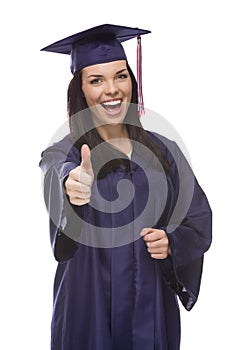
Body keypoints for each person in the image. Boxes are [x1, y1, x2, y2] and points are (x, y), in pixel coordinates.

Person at [39, 24, 212, 350]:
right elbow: (58, 174)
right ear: (80, 92)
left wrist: (172, 242)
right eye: (96, 80)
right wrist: (72, 188)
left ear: (133, 80)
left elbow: (199, 219)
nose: (112, 89)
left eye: (120, 76)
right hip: (87, 313)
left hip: (150, 311)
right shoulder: (65, 153)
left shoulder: (166, 153)